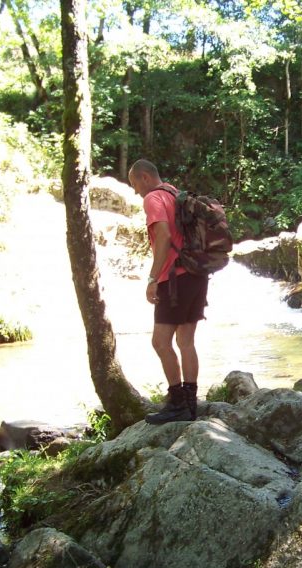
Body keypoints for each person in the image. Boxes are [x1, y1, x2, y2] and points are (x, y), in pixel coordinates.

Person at [128, 159, 207, 423]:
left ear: (145, 177)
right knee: (185, 341)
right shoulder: (174, 193)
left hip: (174, 279)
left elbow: (162, 236)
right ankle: (190, 404)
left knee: (160, 342)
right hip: (196, 274)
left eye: (135, 184)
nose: (136, 191)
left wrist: (152, 278)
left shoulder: (152, 199)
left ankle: (177, 404)